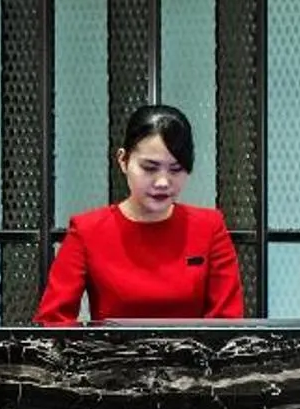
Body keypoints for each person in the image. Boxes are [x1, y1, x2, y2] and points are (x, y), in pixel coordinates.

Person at [34, 103, 246, 323]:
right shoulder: (87, 231)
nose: (163, 182)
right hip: (110, 356)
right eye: (149, 168)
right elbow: (53, 321)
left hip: (195, 356)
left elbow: (227, 322)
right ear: (123, 160)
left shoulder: (209, 227)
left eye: (176, 169)